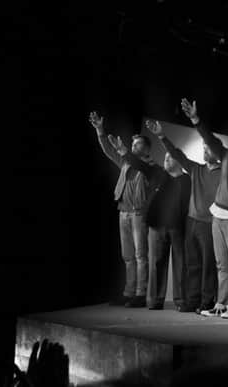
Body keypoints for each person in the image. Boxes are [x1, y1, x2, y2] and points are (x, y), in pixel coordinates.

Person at [180, 97, 228, 318]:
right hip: (217, 216)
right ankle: (221, 303)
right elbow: (209, 139)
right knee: (221, 265)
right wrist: (195, 119)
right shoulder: (226, 156)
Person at [145, 119, 222, 313]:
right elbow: (178, 155)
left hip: (209, 223)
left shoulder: (224, 171)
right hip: (192, 222)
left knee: (207, 266)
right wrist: (162, 136)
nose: (205, 151)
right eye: (203, 148)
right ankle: (192, 300)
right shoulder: (196, 169)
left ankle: (207, 300)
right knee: (192, 265)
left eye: (209, 148)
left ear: (218, 151)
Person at [109, 135, 189, 310]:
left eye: (170, 158)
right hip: (157, 226)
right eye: (165, 157)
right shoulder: (159, 173)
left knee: (179, 264)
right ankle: (153, 300)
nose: (166, 160)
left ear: (179, 161)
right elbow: (138, 165)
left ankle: (180, 300)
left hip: (177, 227)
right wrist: (122, 150)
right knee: (154, 264)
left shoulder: (186, 180)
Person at [89, 112, 157, 308]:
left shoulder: (149, 166)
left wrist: (126, 152)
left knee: (140, 255)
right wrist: (100, 130)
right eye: (133, 144)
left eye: (137, 145)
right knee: (128, 256)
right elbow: (108, 150)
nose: (133, 146)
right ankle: (128, 292)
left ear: (146, 149)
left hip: (138, 214)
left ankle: (141, 293)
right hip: (123, 212)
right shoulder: (126, 163)